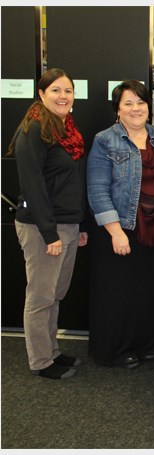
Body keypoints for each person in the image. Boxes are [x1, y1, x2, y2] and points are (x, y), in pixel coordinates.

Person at [9, 68, 87, 380]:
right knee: (40, 297)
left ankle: (52, 350)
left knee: (55, 293)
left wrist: (78, 226)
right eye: (56, 90)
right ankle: (41, 361)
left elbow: (70, 181)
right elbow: (33, 185)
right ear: (42, 94)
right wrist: (49, 232)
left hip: (67, 225)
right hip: (44, 228)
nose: (63, 96)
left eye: (67, 90)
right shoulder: (34, 128)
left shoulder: (67, 128)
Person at [87, 80, 154, 369]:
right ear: (118, 110)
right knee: (117, 294)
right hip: (121, 229)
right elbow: (97, 189)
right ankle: (114, 350)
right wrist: (116, 232)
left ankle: (145, 344)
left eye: (141, 102)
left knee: (147, 291)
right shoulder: (105, 140)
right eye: (128, 103)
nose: (136, 108)